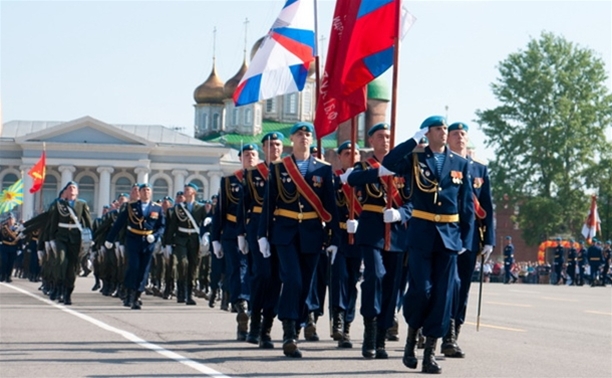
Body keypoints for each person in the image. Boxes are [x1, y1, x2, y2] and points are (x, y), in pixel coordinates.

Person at [382, 115, 474, 374]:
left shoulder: (460, 163)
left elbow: (466, 204)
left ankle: (429, 353)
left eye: (445, 128)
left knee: (443, 295)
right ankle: (412, 338)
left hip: (449, 236)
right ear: (427, 132)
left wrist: (466, 240)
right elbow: (388, 163)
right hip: (421, 233)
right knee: (421, 290)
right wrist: (412, 140)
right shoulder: (415, 158)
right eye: (437, 128)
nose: (443, 132)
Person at [257, 122, 340, 358]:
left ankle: (297, 320)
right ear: (291, 139)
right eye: (300, 134)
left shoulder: (323, 170)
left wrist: (334, 237)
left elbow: (330, 205)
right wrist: (262, 234)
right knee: (292, 279)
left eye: (308, 134)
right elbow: (269, 204)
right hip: (285, 232)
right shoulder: (279, 168)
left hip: (313, 233)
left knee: (305, 284)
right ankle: (289, 332)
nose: (304, 137)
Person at [346, 123, 412, 360]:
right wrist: (379, 172)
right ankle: (369, 331)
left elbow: (413, 202)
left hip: (396, 232)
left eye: (388, 136)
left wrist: (401, 214)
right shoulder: (363, 166)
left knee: (393, 285)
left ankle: (382, 337)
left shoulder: (404, 167)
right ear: (371, 141)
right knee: (375, 276)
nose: (385, 140)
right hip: (372, 229)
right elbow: (353, 180)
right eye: (380, 136)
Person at [442, 121, 495, 359]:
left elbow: (487, 208)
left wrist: (489, 240)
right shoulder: (440, 163)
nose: (460, 137)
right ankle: (431, 327)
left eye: (463, 134)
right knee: (443, 285)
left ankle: (452, 335)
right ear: (447, 138)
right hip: (444, 235)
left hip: (471, 238)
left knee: (462, 288)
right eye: (455, 134)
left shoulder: (479, 170)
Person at [241, 131, 284, 349]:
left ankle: (267, 328)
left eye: (277, 145)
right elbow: (244, 204)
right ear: (263, 149)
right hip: (258, 226)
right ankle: (255, 322)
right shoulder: (252, 173)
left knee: (277, 278)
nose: (274, 148)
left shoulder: (287, 171)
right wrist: (242, 234)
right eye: (270, 145)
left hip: (282, 226)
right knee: (261, 274)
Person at [212, 145, 254, 340]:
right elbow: (220, 210)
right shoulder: (229, 181)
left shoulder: (265, 178)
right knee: (238, 270)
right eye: (246, 155)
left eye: (254, 155)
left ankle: (255, 312)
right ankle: (241, 307)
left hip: (256, 232)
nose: (250, 158)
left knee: (256, 274)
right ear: (240, 158)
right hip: (231, 232)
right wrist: (215, 238)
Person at [105, 183, 165, 309]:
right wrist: (110, 239)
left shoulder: (157, 208)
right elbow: (119, 223)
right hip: (133, 239)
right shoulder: (130, 207)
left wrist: (155, 236)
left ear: (151, 192)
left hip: (148, 241)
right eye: (143, 190)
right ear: (139, 193)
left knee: (144, 270)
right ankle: (129, 293)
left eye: (148, 190)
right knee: (133, 267)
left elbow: (161, 226)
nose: (146, 192)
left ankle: (137, 295)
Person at [330, 140, 362, 348]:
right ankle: (338, 319)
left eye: (356, 153)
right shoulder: (333, 180)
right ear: (340, 157)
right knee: (339, 279)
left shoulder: (364, 179)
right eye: (347, 153)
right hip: (339, 236)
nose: (352, 156)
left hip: (359, 236)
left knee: (352, 282)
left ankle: (347, 324)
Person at [47, 181, 93, 305]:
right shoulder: (59, 204)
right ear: (66, 191)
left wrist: (91, 239)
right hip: (61, 237)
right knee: (61, 262)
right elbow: (53, 222)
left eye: (74, 188)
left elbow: (88, 222)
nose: (71, 190)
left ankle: (67, 293)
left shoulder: (82, 204)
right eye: (69, 188)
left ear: (77, 191)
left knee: (72, 267)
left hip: (76, 239)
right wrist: (51, 239)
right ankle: (58, 287)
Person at [165, 182, 207, 305]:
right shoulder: (178, 208)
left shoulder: (200, 207)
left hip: (194, 239)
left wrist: (206, 236)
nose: (185, 191)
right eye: (185, 189)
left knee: (193, 266)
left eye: (188, 189)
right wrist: (167, 243)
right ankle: (181, 291)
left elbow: (205, 224)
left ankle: (189, 294)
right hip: (181, 238)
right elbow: (172, 226)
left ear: (194, 192)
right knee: (182, 264)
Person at [0, 213, 21, 283]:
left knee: (11, 263)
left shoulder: (17, 228)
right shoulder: (3, 227)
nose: (10, 221)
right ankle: (2, 275)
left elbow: (19, 238)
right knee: (4, 261)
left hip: (13, 247)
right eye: (9, 219)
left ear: (14, 220)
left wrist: (19, 248)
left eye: (11, 219)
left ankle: (8, 276)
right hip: (5, 247)